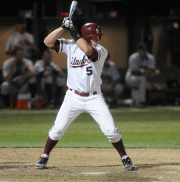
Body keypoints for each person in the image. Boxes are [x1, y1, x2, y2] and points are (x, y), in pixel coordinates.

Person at [36, 18, 135, 171]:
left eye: (98, 36)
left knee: (110, 131)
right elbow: (48, 42)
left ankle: (124, 156)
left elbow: (88, 51)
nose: (97, 39)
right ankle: (44, 155)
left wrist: (72, 31)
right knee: (58, 129)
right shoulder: (70, 46)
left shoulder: (102, 51)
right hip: (72, 97)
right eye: (93, 37)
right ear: (86, 37)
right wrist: (62, 27)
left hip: (94, 97)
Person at [125, 42, 159, 108]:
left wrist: (140, 70)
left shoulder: (150, 58)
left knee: (142, 80)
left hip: (141, 80)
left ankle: (138, 102)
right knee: (142, 79)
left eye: (144, 50)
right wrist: (146, 72)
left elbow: (152, 71)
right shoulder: (133, 57)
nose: (143, 52)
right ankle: (142, 101)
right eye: (141, 51)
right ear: (138, 51)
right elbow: (135, 73)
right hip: (131, 78)